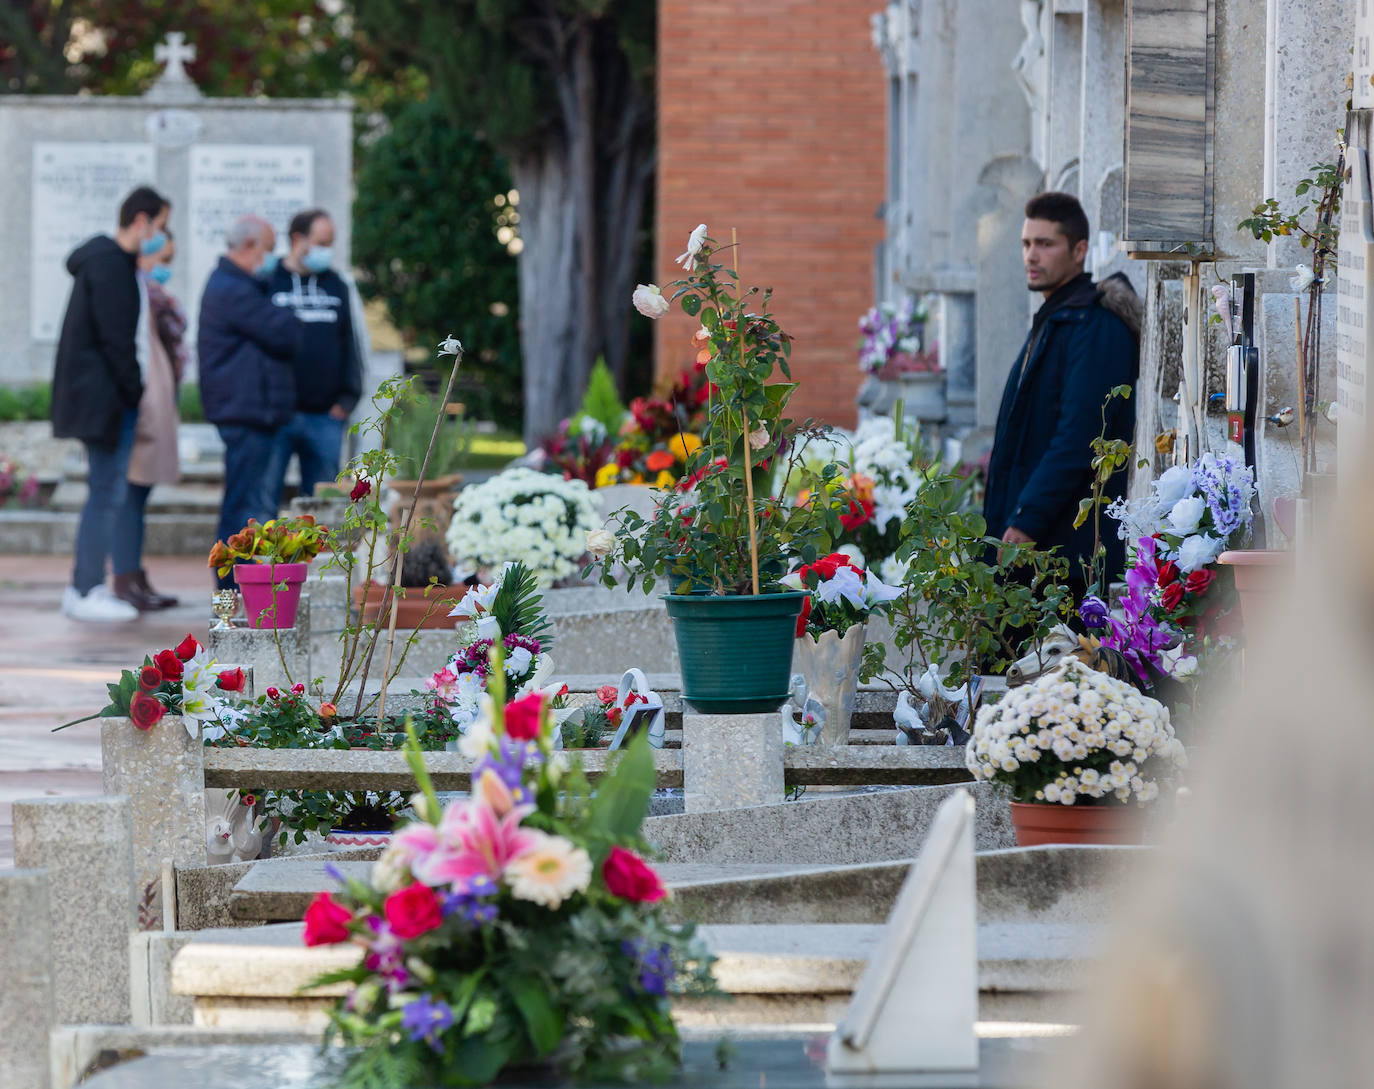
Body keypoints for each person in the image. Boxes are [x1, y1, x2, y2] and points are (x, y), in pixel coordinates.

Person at [983, 191, 1141, 597]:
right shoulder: (1056, 319)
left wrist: (1027, 519)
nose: (1031, 256)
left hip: (1065, 557)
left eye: (1045, 244)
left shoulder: (1095, 325)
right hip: (1035, 547)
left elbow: (1079, 438)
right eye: (1026, 243)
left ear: (1079, 250)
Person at [52, 184, 171, 622]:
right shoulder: (110, 266)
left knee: (107, 491)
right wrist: (135, 393)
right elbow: (116, 342)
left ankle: (86, 586)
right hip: (105, 401)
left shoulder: (108, 263)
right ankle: (85, 589)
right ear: (141, 221)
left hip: (103, 399)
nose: (159, 235)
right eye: (159, 226)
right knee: (106, 492)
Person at [198, 215, 303, 589]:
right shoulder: (233, 287)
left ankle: (238, 585)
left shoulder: (241, 284)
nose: (272, 258)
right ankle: (233, 588)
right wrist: (289, 318)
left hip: (252, 411)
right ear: (248, 247)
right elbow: (284, 333)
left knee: (247, 504)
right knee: (245, 508)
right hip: (245, 413)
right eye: (269, 249)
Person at [264, 208, 362, 502]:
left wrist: (347, 398)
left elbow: (351, 343)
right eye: (321, 242)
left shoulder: (337, 284)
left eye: (330, 243)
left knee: (323, 506)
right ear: (298, 239)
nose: (326, 251)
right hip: (277, 414)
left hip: (326, 416)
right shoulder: (269, 280)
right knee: (264, 499)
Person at [112, 230, 186, 611]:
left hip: (155, 398)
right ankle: (124, 578)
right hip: (142, 403)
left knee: (137, 495)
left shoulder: (151, 294)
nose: (166, 269)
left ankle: (134, 575)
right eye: (163, 259)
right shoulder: (140, 292)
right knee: (130, 494)